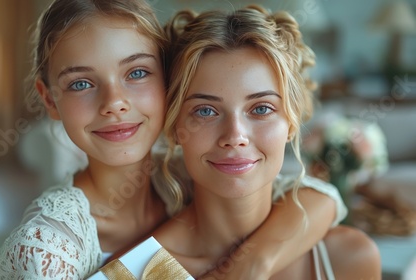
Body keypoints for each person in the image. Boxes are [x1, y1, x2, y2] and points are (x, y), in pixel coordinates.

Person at [0, 0, 348, 279]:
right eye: (81, 83)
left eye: (137, 72)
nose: (115, 103)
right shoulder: (44, 252)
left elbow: (318, 197)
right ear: (50, 98)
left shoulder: (185, 176)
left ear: (167, 85)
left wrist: (251, 264)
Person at [152, 5, 381, 279]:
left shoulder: (350, 257)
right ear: (175, 127)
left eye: (261, 109)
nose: (235, 136)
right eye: (205, 111)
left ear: (292, 123)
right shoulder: (139, 272)